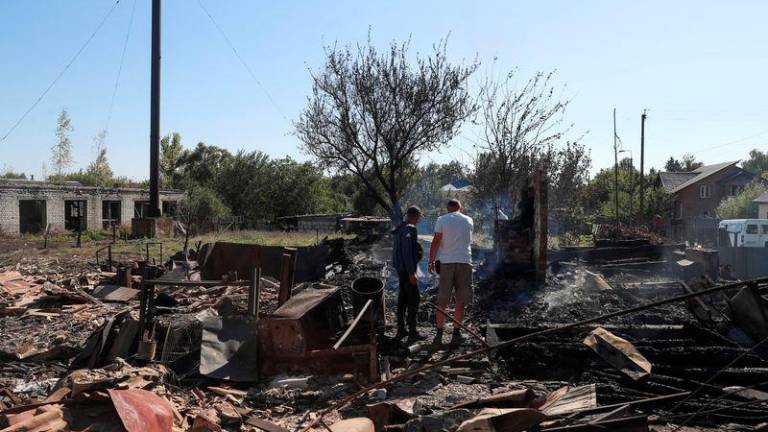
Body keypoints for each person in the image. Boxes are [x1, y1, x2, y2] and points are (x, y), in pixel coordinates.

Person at [428, 199, 473, 343]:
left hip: (447, 262)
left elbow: (436, 241)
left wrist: (431, 260)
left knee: (443, 299)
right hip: (465, 262)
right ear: (461, 208)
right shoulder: (469, 220)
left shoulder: (442, 219)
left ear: (448, 208)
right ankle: (456, 333)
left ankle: (439, 333)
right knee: (461, 300)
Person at [392, 205, 423, 339]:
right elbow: (407, 252)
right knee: (414, 299)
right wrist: (412, 272)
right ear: (414, 216)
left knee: (403, 299)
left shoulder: (400, 228)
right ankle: (412, 332)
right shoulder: (409, 229)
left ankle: (401, 329)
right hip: (406, 270)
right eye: (418, 218)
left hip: (400, 269)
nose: (418, 220)